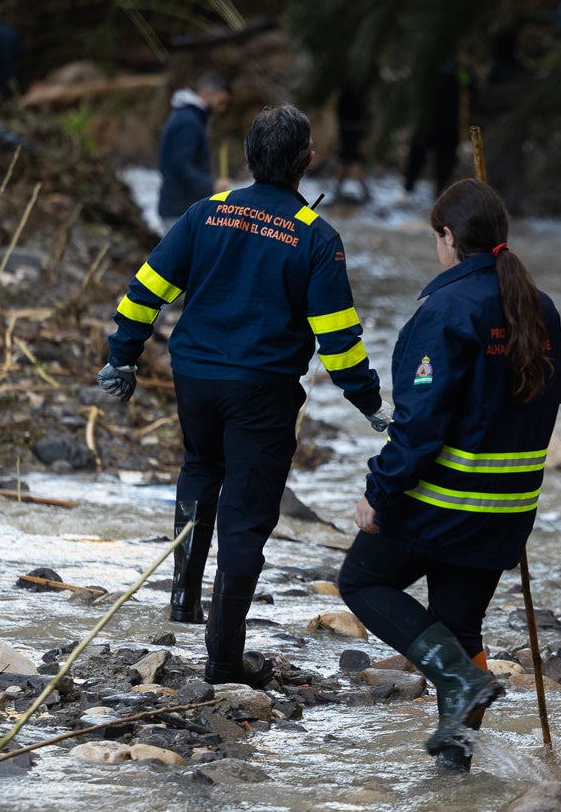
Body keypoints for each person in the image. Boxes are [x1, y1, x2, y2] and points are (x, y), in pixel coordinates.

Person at [98, 104, 391, 686]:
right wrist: (371, 404)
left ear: (248, 158)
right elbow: (337, 339)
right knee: (247, 513)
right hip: (261, 390)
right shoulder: (316, 237)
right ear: (307, 160)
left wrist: (121, 356)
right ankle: (225, 660)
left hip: (195, 377)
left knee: (201, 467)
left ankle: (183, 599)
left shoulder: (205, 213)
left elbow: (146, 288)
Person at [338, 180, 561, 769]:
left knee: (362, 582)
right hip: (507, 510)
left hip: (442, 503)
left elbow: (418, 427)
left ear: (448, 238)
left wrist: (379, 491)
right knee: (460, 626)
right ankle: (454, 767)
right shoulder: (536, 304)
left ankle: (455, 680)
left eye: (436, 239)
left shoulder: (445, 310)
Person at [157, 73, 231, 232]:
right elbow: (180, 165)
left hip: (182, 208)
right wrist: (212, 185)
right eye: (220, 102)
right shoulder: (188, 121)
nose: (222, 109)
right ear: (205, 95)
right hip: (178, 209)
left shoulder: (190, 118)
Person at [403, 59, 463, 199]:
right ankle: (411, 188)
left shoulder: (460, 75)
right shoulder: (428, 72)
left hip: (444, 126)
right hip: (435, 125)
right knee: (419, 157)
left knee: (441, 161)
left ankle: (436, 190)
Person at [333, 81, 372, 205]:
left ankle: (339, 189)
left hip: (351, 127)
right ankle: (340, 189)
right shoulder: (358, 83)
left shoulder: (353, 83)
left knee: (349, 160)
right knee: (353, 160)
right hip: (352, 127)